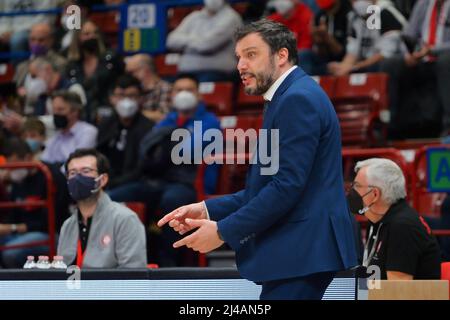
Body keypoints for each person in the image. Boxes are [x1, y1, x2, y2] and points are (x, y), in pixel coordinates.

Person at [158, 20, 358, 300]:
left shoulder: (296, 100)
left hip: (302, 250)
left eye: (251, 55)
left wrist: (223, 232)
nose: (240, 65)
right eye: (238, 57)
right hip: (299, 252)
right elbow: (269, 187)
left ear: (281, 55)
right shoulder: (288, 97)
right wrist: (207, 209)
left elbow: (286, 187)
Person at [109, 73, 221, 266]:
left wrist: (165, 146)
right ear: (171, 95)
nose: (183, 94)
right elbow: (146, 149)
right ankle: (122, 259)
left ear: (199, 94)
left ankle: (169, 262)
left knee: (172, 201)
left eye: (189, 90)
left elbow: (188, 150)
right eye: (179, 90)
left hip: (190, 183)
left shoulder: (210, 121)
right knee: (113, 196)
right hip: (159, 181)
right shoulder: (167, 120)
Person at [347, 158, 441, 279]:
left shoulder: (403, 227)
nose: (352, 191)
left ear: (375, 194)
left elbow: (398, 292)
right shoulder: (378, 219)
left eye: (357, 186)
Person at [57, 148, 147, 268]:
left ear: (103, 179)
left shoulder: (125, 219)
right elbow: (61, 271)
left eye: (86, 171)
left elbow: (134, 273)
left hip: (111, 287)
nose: (78, 178)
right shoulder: (68, 225)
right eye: (72, 173)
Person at [380, 0, 450, 138]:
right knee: (390, 64)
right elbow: (408, 35)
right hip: (421, 58)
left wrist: (433, 50)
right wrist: (408, 54)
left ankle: (448, 126)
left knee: (445, 60)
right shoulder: (423, 4)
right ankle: (390, 127)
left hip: (443, 57)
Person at [97, 74, 154, 189]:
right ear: (111, 98)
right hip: (107, 179)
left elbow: (143, 168)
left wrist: (113, 183)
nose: (126, 101)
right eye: (121, 96)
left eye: (132, 96)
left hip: (136, 182)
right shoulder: (106, 124)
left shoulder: (149, 128)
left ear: (141, 99)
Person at [0, 138, 50, 268]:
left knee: (10, 253)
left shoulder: (48, 176)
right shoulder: (18, 181)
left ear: (28, 157)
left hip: (47, 234)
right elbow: (12, 216)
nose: (12, 171)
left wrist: (12, 228)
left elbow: (49, 223)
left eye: (15, 165)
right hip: (19, 233)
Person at [166, 0, 243, 82]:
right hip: (186, 72)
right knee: (171, 84)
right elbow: (171, 41)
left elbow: (207, 45)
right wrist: (199, 39)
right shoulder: (194, 17)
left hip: (217, 72)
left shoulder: (231, 18)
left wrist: (185, 42)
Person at [66, 19, 124, 123]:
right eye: (87, 34)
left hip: (109, 109)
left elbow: (121, 82)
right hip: (82, 113)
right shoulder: (72, 65)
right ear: (78, 38)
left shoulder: (112, 58)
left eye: (95, 33)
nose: (92, 37)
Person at [328, 0, 406, 76]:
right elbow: (352, 51)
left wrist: (354, 67)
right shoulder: (353, 17)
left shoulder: (386, 13)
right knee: (331, 69)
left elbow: (385, 54)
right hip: (366, 62)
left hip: (396, 61)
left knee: (382, 65)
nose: (357, 2)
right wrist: (343, 66)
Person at [40, 91, 97, 165]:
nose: (56, 114)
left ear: (75, 111)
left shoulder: (87, 132)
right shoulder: (56, 136)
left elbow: (76, 163)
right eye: (54, 110)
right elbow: (44, 161)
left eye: (60, 109)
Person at [13, 23, 67, 88]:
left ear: (51, 41)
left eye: (41, 40)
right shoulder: (21, 67)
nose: (36, 43)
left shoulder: (61, 64)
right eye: (32, 39)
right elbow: (15, 90)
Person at [306, 0, 352, 75]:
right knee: (304, 56)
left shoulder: (348, 15)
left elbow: (343, 52)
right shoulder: (320, 16)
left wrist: (327, 37)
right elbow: (321, 54)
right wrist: (318, 41)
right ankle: (304, 85)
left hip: (344, 60)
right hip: (325, 61)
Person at [267, 0, 314, 73]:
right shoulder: (273, 19)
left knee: (302, 55)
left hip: (299, 53)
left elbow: (306, 44)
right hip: (280, 54)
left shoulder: (304, 15)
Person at [125, 54, 172, 123]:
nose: (129, 77)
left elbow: (163, 116)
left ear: (145, 70)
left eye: (131, 73)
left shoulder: (164, 88)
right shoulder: (134, 90)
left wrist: (132, 112)